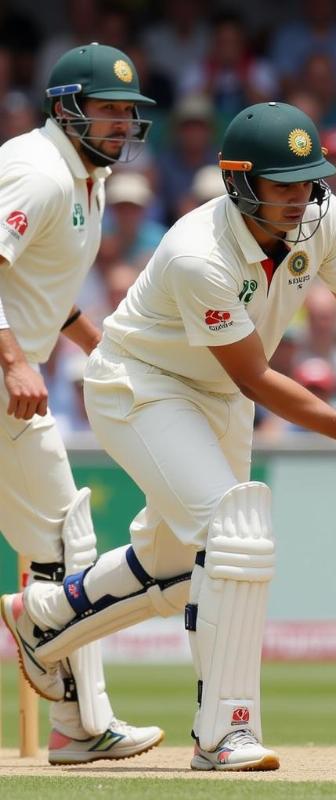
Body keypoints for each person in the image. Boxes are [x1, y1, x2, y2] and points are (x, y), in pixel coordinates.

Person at [3, 102, 336, 772]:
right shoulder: (197, 253)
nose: (300, 198)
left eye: (309, 180)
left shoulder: (323, 214)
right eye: (283, 184)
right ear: (240, 182)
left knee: (179, 565)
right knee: (236, 533)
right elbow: (259, 377)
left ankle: (47, 619)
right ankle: (223, 732)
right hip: (141, 386)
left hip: (220, 394)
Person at [0, 42, 163, 764]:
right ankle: (81, 721)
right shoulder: (36, 173)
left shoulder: (83, 179)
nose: (122, 124)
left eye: (129, 112)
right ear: (67, 109)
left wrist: (101, 352)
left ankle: (77, 722)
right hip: (6, 376)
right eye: (108, 111)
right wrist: (13, 360)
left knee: (58, 544)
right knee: (64, 543)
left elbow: (45, 292)